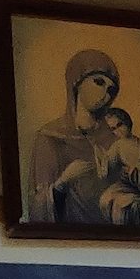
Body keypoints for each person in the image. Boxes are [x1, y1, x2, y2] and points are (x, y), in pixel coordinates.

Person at [26, 50, 121, 226]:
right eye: (98, 82)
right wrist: (63, 182)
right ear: (77, 83)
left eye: (111, 90)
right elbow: (37, 209)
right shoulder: (50, 138)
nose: (105, 94)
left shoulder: (116, 142)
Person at [92, 108, 140, 226]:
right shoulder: (117, 146)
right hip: (126, 185)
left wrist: (134, 171)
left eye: (119, 125)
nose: (118, 130)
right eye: (113, 129)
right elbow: (107, 169)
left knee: (123, 204)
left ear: (127, 122)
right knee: (105, 198)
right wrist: (100, 156)